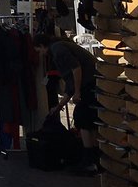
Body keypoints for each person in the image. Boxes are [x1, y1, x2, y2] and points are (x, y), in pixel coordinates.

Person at [33, 32, 99, 174]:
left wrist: (77, 92)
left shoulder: (58, 50)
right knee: (90, 120)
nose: (40, 54)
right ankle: (94, 159)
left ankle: (89, 162)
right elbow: (69, 85)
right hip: (92, 82)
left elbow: (76, 69)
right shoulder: (60, 46)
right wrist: (59, 106)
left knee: (82, 119)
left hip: (90, 83)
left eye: (38, 50)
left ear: (42, 46)